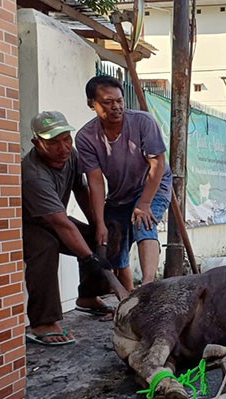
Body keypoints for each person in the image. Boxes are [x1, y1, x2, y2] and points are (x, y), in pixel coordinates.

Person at [22, 111, 113, 346]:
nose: (63, 148)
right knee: (46, 247)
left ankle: (88, 297)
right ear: (37, 143)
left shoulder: (70, 155)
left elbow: (81, 189)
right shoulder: (33, 175)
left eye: (66, 139)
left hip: (55, 218)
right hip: (28, 223)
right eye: (53, 142)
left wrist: (98, 225)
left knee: (102, 235)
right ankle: (43, 322)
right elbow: (61, 223)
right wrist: (89, 258)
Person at [76, 75, 172, 292]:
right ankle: (126, 298)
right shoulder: (85, 137)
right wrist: (99, 222)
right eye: (108, 102)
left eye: (119, 101)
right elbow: (95, 182)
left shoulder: (143, 122)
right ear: (92, 104)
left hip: (153, 184)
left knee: (143, 222)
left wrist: (144, 204)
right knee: (113, 239)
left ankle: (148, 287)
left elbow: (157, 163)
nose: (116, 107)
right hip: (120, 193)